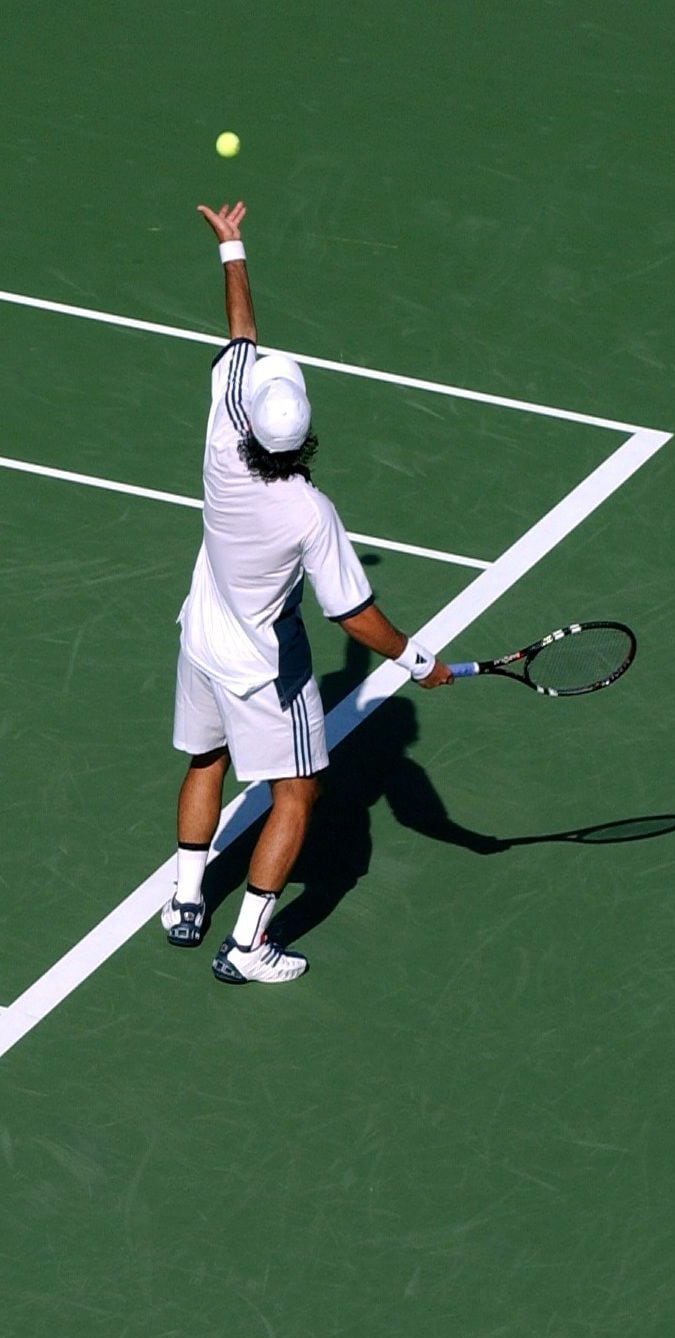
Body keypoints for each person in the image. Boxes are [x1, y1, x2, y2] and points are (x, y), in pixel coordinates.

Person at [163, 202, 455, 984]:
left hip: (201, 635)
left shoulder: (225, 439)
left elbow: (240, 339)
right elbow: (352, 616)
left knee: (206, 759)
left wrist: (233, 248)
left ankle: (187, 902)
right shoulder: (309, 515)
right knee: (298, 789)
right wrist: (417, 659)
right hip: (262, 667)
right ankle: (248, 945)